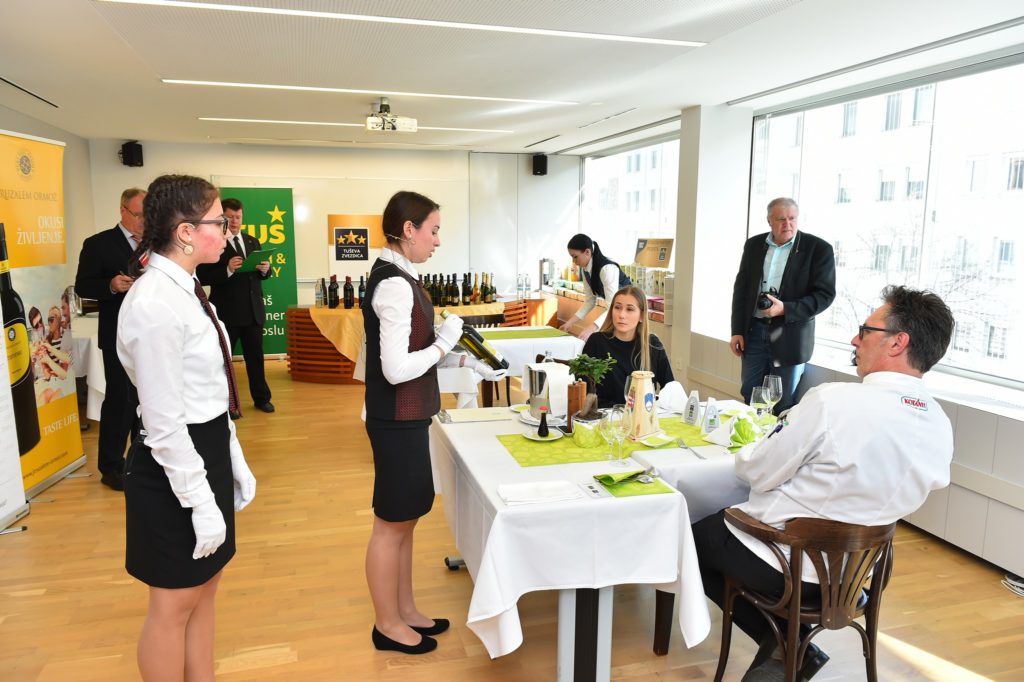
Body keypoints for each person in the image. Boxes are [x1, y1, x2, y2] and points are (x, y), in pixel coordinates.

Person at [695, 285, 955, 681]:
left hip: (785, 564)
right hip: (855, 575)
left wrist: (752, 450)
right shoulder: (939, 423)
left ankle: (786, 646)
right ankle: (791, 648)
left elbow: (757, 471)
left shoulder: (833, 402)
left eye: (865, 331)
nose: (855, 340)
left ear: (897, 342)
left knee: (691, 538)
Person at [116, 174, 256, 681]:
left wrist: (232, 456)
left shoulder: (189, 289)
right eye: (219, 221)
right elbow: (164, 423)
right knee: (173, 604)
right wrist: (199, 501)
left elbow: (209, 388)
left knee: (206, 589)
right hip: (173, 466)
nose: (228, 230)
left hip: (206, 447)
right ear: (185, 232)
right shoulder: (154, 303)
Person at [362, 190, 506, 655]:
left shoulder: (402, 276)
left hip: (407, 416)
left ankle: (404, 610)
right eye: (434, 230)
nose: (438, 241)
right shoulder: (394, 285)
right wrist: (445, 342)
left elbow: (415, 357)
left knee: (406, 520)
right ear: (409, 229)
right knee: (391, 524)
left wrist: (465, 362)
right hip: (395, 419)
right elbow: (395, 369)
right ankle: (387, 624)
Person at [729, 198, 835, 413]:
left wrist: (785, 309)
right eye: (781, 219)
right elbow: (741, 290)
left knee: (781, 401)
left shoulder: (818, 248)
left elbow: (825, 295)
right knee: (750, 394)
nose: (787, 224)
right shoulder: (753, 245)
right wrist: (737, 330)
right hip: (754, 332)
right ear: (769, 220)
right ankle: (750, 435)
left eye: (792, 218)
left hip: (791, 336)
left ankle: (776, 437)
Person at [74, 188, 147, 491]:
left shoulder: (156, 243)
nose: (144, 220)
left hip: (151, 335)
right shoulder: (98, 244)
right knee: (120, 401)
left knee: (148, 400)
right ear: (122, 210)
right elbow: (83, 285)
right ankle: (111, 466)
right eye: (139, 214)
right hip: (117, 335)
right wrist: (111, 285)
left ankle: (142, 461)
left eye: (148, 215)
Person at [196, 198, 273, 418]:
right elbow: (203, 276)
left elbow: (261, 276)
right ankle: (229, 405)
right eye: (230, 217)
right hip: (227, 314)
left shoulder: (252, 241)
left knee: (256, 359)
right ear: (222, 218)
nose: (235, 221)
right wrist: (228, 269)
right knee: (224, 363)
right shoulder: (215, 242)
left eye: (238, 217)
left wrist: (265, 270)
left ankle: (262, 399)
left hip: (253, 312)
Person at [580, 285, 673, 408]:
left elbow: (670, 389)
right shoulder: (597, 342)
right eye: (617, 307)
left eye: (629, 309)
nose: (622, 315)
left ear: (641, 316)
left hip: (642, 415)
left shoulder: (652, 344)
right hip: (606, 415)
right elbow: (583, 390)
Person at [560, 233, 631, 341]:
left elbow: (612, 306)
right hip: (617, 312)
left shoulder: (607, 269)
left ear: (587, 252)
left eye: (575, 257)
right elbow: (590, 301)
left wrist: (591, 328)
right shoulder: (585, 270)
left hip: (629, 312)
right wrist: (569, 323)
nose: (574, 261)